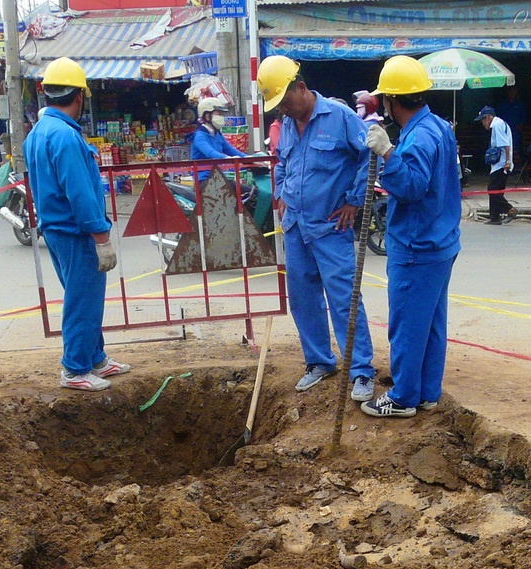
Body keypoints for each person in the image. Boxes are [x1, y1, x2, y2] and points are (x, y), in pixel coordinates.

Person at [259, 54, 376, 402]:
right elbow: (282, 163)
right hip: (296, 227)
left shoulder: (339, 118)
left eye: (284, 100)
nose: (281, 109)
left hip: (329, 227)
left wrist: (355, 200)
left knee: (344, 299)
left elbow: (370, 155)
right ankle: (319, 362)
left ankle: (361, 371)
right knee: (302, 298)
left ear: (301, 87)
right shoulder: (287, 126)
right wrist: (280, 195)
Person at [362, 55, 461, 418]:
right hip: (440, 241)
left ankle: (403, 398)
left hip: (417, 246)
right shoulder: (437, 126)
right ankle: (426, 393)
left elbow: (413, 186)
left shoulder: (418, 138)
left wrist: (388, 152)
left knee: (406, 324)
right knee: (431, 323)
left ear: (393, 100)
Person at [23, 57, 128, 392]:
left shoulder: (38, 132)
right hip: (76, 231)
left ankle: (94, 357)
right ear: (80, 95)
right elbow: (81, 192)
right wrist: (101, 236)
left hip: (56, 230)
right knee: (83, 300)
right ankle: (75, 367)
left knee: (81, 296)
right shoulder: (66, 137)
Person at [189, 96, 246, 179]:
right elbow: (210, 152)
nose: (222, 117)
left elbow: (231, 150)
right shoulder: (199, 136)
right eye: (219, 114)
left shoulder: (217, 134)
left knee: (248, 190)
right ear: (207, 116)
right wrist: (226, 158)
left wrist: (247, 157)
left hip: (218, 177)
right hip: (204, 179)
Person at [476, 105, 514, 224]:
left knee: (492, 190)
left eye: (483, 120)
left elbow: (505, 144)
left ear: (487, 118)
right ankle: (494, 217)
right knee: (497, 191)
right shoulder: (499, 123)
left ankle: (510, 209)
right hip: (499, 164)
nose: (483, 124)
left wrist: (508, 162)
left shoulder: (497, 125)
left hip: (501, 164)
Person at [496, 85, 526, 156]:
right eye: (512, 90)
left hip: (515, 130)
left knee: (515, 147)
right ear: (508, 92)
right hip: (504, 130)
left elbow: (523, 116)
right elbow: (498, 117)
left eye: (515, 90)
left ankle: (516, 163)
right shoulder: (502, 104)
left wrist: (521, 125)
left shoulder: (519, 104)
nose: (513, 92)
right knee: (504, 147)